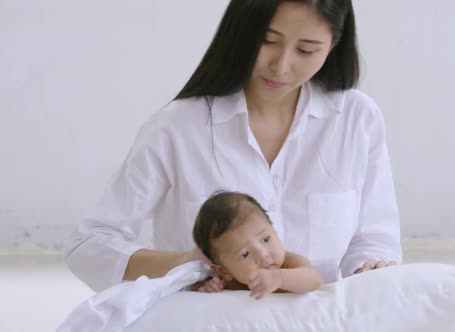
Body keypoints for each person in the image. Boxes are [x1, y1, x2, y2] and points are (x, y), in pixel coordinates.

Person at [64, 0, 403, 293]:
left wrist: (371, 270)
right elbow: (89, 245)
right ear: (241, 33)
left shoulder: (357, 119)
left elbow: (373, 240)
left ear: (333, 46)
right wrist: (187, 264)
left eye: (306, 50)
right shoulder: (178, 127)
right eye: (268, 41)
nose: (282, 66)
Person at [192, 191, 322, 299]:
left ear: (275, 231)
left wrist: (280, 278)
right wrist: (206, 288)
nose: (262, 254)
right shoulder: (229, 282)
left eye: (265, 239)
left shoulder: (290, 263)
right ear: (224, 271)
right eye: (245, 254)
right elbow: (191, 292)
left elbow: (314, 280)